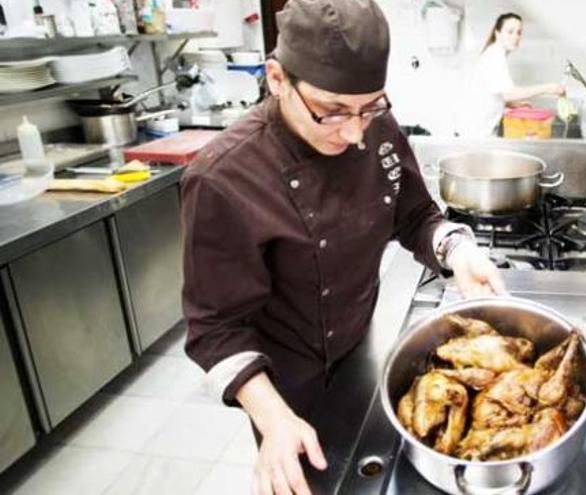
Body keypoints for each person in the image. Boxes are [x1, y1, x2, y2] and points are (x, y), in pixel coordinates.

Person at [179, 1, 506, 494]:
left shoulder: (375, 126)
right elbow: (214, 329)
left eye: (370, 106)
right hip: (283, 385)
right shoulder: (222, 178)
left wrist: (456, 250)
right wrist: (272, 419)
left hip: (362, 351)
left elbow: (415, 214)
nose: (355, 132)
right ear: (276, 79)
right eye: (331, 112)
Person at [458, 12, 566, 137]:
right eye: (510, 32)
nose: (515, 37)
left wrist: (513, 104)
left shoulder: (495, 53)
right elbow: (509, 93)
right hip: (475, 134)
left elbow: (494, 93)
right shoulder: (495, 56)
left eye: (519, 32)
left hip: (476, 131)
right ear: (497, 33)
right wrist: (548, 88)